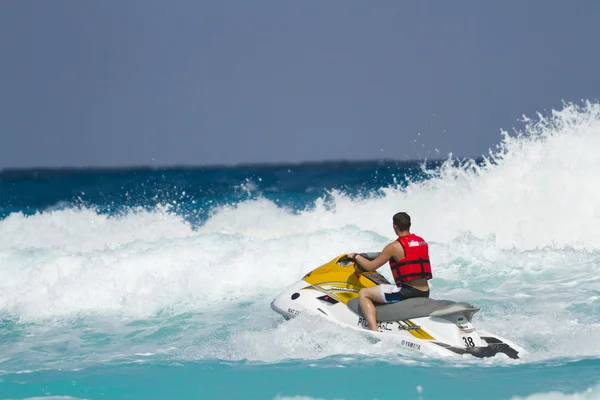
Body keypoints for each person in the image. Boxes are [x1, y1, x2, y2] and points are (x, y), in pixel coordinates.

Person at [348, 212, 432, 331]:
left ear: (395, 227)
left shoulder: (393, 247)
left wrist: (356, 256)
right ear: (410, 224)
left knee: (363, 293)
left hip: (407, 292)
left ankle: (373, 329)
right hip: (425, 291)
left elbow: (370, 267)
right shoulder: (421, 242)